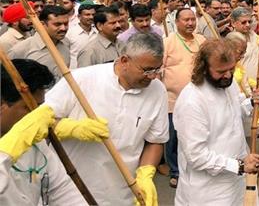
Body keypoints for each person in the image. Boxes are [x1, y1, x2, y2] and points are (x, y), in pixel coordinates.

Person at [45, 33, 169, 205]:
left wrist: (146, 174)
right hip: (70, 186)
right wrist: (71, 128)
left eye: (157, 70)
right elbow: (41, 120)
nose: (153, 76)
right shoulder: (80, 79)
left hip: (122, 188)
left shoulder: (157, 90)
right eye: (147, 70)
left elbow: (155, 140)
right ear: (125, 60)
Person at [173, 39, 259, 205]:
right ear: (203, 69)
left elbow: (236, 112)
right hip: (208, 190)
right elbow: (196, 155)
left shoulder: (228, 84)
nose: (228, 75)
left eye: (231, 69)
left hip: (237, 180)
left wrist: (252, 102)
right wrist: (237, 165)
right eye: (221, 71)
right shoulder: (192, 101)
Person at [0, 59, 90, 204]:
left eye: (39, 107)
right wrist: (10, 147)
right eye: (29, 108)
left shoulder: (35, 143)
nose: (36, 117)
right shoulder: (21, 137)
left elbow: (64, 191)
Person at [162, 8, 206, 188]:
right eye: (186, 20)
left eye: (192, 19)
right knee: (173, 138)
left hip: (198, 99)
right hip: (173, 99)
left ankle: (195, 168)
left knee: (195, 135)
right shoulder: (167, 42)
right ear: (177, 22)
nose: (190, 23)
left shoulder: (201, 40)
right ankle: (175, 171)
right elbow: (159, 69)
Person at [9, 5, 70, 82]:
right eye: (57, 24)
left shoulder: (66, 43)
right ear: (42, 24)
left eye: (66, 24)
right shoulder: (21, 49)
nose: (63, 28)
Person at [65, 3, 97, 68]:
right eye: (87, 15)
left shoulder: (98, 32)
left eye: (93, 14)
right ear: (79, 16)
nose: (91, 17)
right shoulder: (69, 33)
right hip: (75, 72)